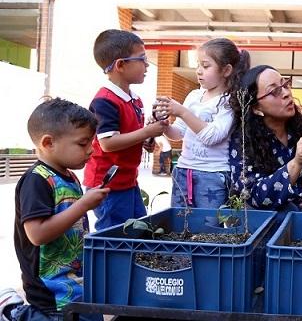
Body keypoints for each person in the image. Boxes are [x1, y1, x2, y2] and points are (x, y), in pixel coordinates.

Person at [13, 98, 110, 321]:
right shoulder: (36, 180)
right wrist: (83, 204)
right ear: (48, 143)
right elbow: (37, 235)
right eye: (82, 143)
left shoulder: (68, 175)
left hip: (75, 281)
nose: (91, 151)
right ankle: (16, 313)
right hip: (50, 292)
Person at [228, 65, 302, 220]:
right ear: (255, 107)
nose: (286, 93)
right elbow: (253, 196)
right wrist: (296, 162)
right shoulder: (243, 139)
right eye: (274, 91)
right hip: (258, 220)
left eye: (285, 84)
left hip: (297, 213)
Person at [83, 29, 167, 230]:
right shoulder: (105, 101)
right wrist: (147, 132)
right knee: (115, 236)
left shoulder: (135, 100)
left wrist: (148, 140)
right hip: (107, 186)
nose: (147, 64)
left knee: (138, 229)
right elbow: (108, 143)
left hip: (128, 181)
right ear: (120, 64)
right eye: (142, 59)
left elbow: (132, 137)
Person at [154, 38, 250, 208]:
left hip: (213, 175)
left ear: (226, 70)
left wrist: (183, 111)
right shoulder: (193, 96)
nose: (199, 71)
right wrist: (164, 126)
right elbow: (179, 134)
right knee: (178, 223)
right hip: (183, 170)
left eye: (205, 66)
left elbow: (212, 137)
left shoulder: (229, 101)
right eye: (198, 65)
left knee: (208, 229)